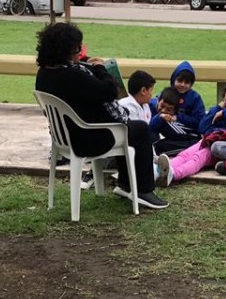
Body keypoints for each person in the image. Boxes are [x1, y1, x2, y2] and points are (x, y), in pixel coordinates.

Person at [35, 22, 168, 210]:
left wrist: (87, 63)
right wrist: (100, 68)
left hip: (64, 138)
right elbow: (109, 91)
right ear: (67, 49)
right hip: (89, 138)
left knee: (126, 127)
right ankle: (144, 189)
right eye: (77, 49)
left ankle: (126, 184)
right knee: (138, 128)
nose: (79, 53)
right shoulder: (72, 75)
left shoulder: (45, 73)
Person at [166, 78, 226, 182]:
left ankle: (173, 174)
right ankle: (158, 170)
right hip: (208, 140)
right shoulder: (219, 109)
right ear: (224, 96)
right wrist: (218, 108)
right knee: (185, 154)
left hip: (223, 146)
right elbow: (202, 127)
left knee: (198, 157)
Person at [150, 60, 206, 130]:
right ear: (173, 80)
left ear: (191, 84)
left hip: (187, 132)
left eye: (187, 82)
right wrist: (160, 107)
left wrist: (178, 117)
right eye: (180, 81)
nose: (183, 85)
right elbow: (152, 102)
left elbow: (200, 120)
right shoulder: (167, 93)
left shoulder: (195, 98)